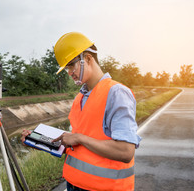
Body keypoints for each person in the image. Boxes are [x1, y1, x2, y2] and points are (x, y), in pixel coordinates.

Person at [21, 32, 141, 191]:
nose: (69, 72)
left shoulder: (116, 93)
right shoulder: (80, 98)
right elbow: (77, 146)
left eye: (71, 65)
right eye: (67, 68)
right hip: (74, 185)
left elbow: (125, 152)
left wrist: (79, 138)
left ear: (88, 59)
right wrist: (41, 142)